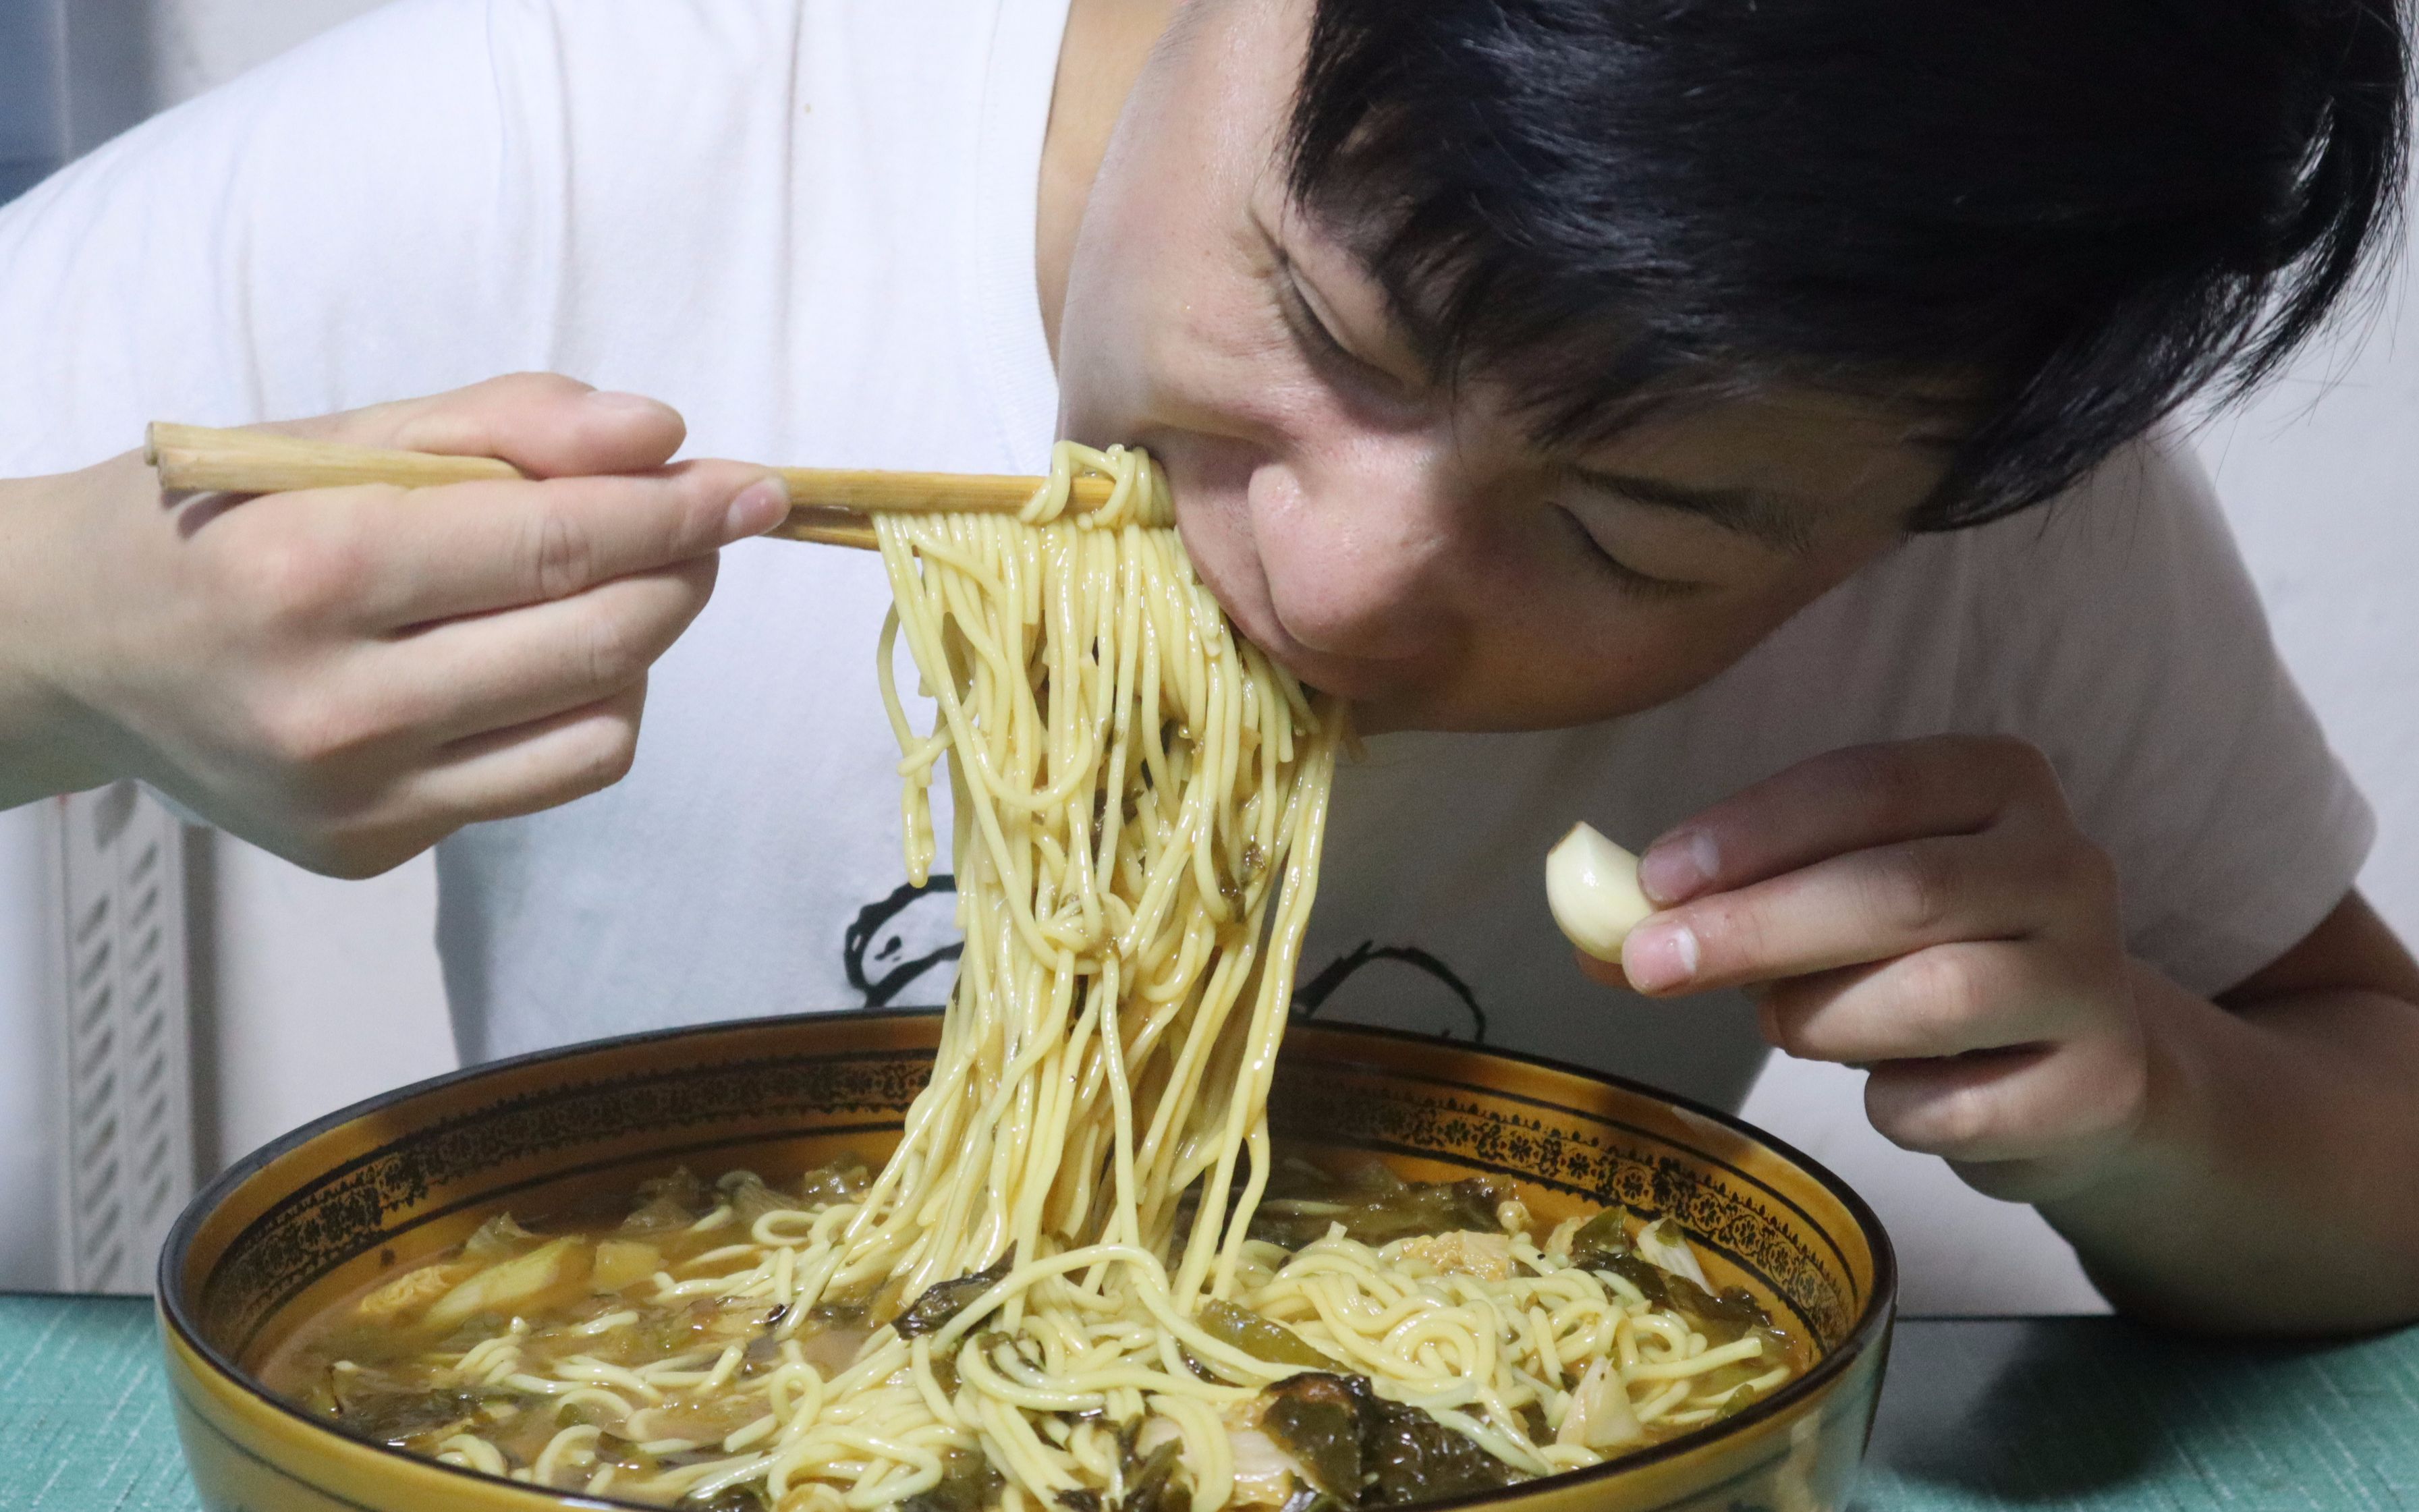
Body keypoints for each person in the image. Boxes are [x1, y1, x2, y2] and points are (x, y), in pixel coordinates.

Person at [1, 0, 2413, 1335]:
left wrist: (2145, 1104)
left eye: (1637, 522)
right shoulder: (568, 136)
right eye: (1323, 321)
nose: (1349, 582)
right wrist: (70, 636)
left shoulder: (1986, 512)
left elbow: (2374, 1117)